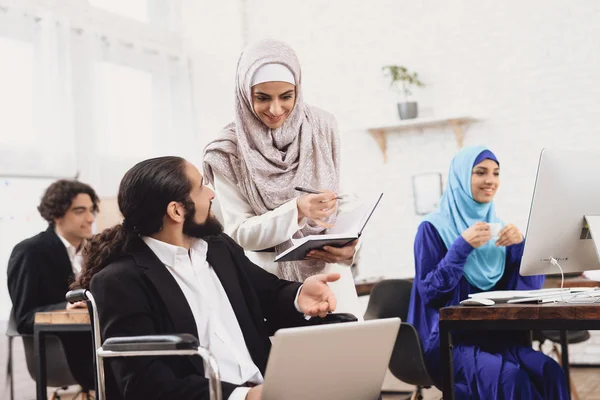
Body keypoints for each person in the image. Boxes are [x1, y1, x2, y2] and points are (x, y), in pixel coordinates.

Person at [75, 156, 342, 400]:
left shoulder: (218, 247)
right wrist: (242, 397)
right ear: (176, 211)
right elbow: (145, 384)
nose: (211, 194)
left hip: (267, 388)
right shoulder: (120, 282)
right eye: (202, 187)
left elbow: (266, 292)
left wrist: (299, 295)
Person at [203, 39, 360, 317]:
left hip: (332, 280)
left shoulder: (322, 127)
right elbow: (240, 234)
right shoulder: (227, 149)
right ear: (244, 92)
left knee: (348, 357)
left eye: (286, 96)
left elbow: (342, 201)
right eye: (262, 97)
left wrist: (349, 250)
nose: (275, 109)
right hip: (274, 287)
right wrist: (296, 210)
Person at [407, 146, 569, 399]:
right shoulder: (432, 228)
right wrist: (461, 247)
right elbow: (431, 295)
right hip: (448, 342)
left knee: (550, 370)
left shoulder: (500, 231)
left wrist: (521, 248)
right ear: (461, 178)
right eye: (480, 172)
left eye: (496, 173)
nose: (490, 180)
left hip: (498, 337)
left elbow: (526, 294)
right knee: (510, 378)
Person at [7, 179, 99, 390]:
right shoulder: (30, 252)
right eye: (79, 211)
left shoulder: (96, 252)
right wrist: (65, 308)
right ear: (56, 214)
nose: (90, 218)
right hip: (63, 353)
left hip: (99, 343)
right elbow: (24, 318)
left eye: (92, 210)